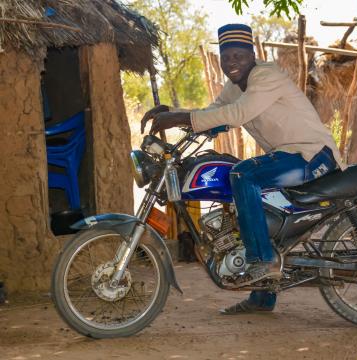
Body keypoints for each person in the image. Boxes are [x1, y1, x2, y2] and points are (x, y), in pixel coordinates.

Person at [141, 24, 345, 314]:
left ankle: (262, 262)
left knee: (242, 175)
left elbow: (238, 113)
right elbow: (216, 112)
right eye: (226, 58)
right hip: (289, 156)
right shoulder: (234, 85)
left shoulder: (266, 75)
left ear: (252, 54)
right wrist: (171, 112)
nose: (231, 63)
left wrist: (178, 117)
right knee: (254, 206)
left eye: (238, 55)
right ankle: (262, 298)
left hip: (311, 155)